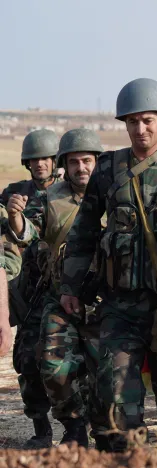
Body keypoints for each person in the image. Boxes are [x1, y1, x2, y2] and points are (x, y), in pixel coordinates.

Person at [60, 78, 157, 454]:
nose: (140, 129)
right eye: (132, 121)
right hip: (121, 305)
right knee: (113, 396)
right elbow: (84, 232)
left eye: (148, 120)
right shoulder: (108, 169)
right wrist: (70, 287)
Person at [12, 129, 104, 448]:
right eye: (74, 162)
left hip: (106, 302)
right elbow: (27, 231)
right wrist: (16, 219)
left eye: (87, 160)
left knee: (110, 374)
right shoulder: (51, 197)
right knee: (52, 366)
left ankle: (108, 429)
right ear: (65, 164)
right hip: (60, 298)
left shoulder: (116, 194)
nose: (81, 167)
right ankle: (74, 427)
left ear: (97, 161)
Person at [3, 128, 60, 449]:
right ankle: (41, 429)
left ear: (55, 160)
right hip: (30, 293)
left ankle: (80, 427)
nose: (40, 164)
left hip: (64, 289)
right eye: (34, 159)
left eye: (46, 158)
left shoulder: (68, 192)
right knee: (27, 361)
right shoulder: (14, 193)